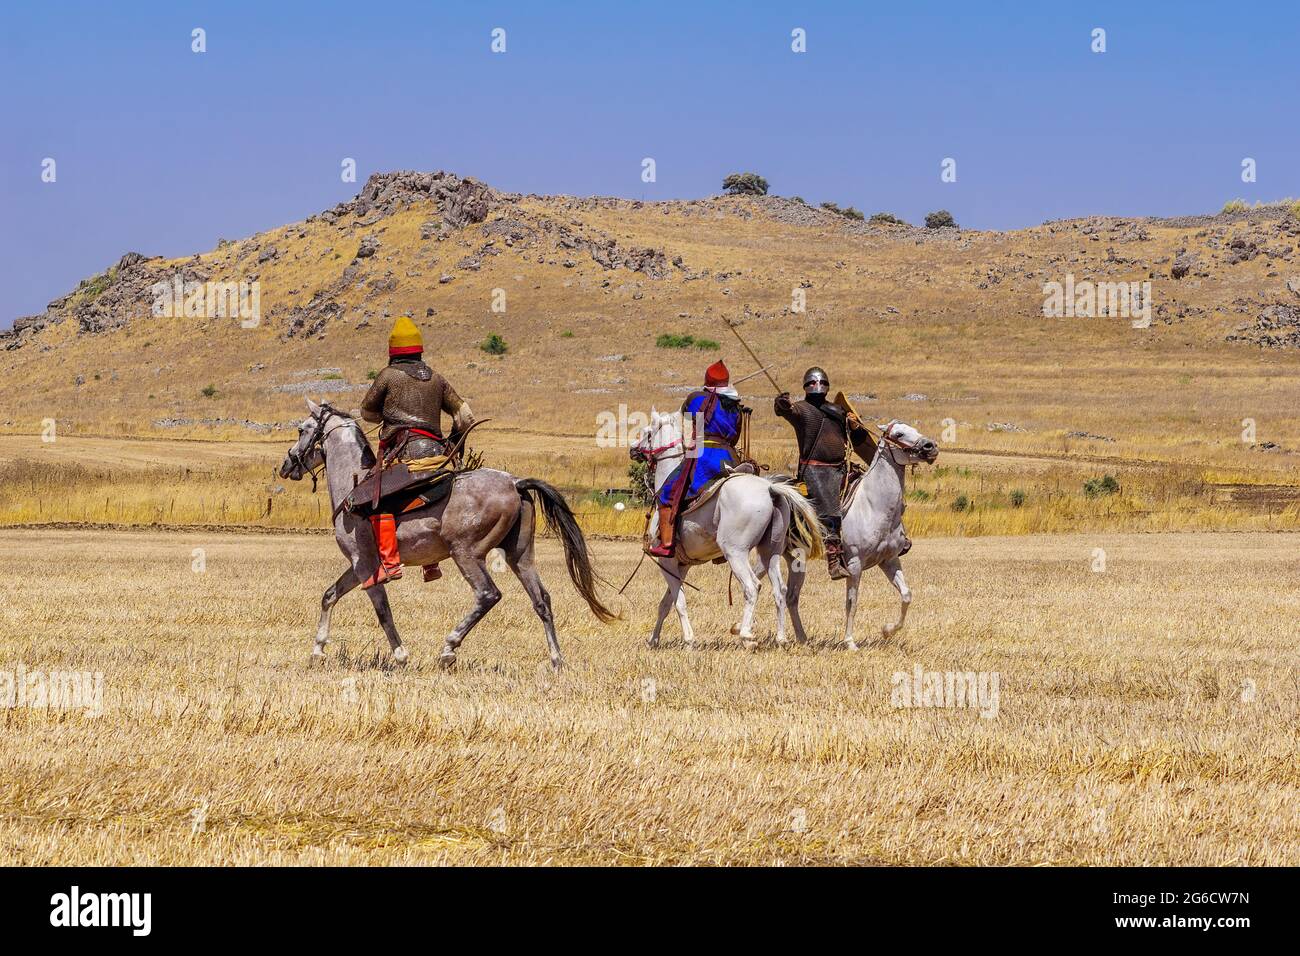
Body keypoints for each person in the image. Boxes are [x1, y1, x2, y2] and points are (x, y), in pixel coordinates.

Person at [357, 316, 474, 586]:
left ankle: (389, 564)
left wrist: (388, 416)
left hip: (403, 454)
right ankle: (429, 562)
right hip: (438, 456)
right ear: (419, 349)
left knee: (378, 499)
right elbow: (466, 416)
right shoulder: (437, 378)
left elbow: (367, 412)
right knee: (425, 500)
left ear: (393, 351)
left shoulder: (388, 376)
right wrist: (454, 445)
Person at [774, 367, 875, 580]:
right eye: (812, 383)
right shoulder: (801, 410)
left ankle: (892, 537)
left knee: (873, 492)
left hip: (842, 468)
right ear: (806, 387)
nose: (816, 386)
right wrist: (781, 404)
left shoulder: (837, 411)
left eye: (819, 383)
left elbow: (856, 441)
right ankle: (834, 561)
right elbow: (785, 411)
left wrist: (855, 427)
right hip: (816, 471)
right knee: (830, 512)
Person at [647, 359, 745, 557]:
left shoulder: (697, 398)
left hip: (704, 456)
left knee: (667, 492)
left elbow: (685, 414)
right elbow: (735, 437)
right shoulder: (736, 408)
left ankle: (666, 543)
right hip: (730, 458)